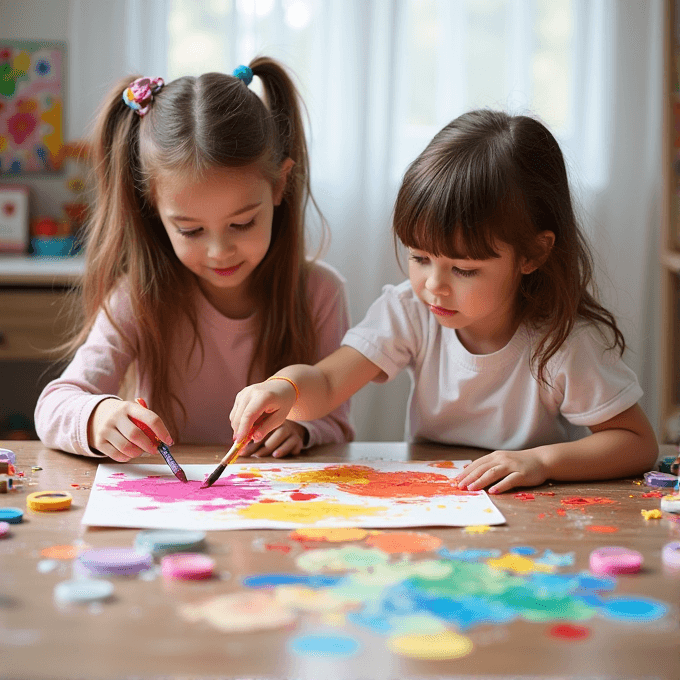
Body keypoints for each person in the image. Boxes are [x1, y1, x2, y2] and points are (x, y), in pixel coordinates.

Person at [229, 109, 658, 493]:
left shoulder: (564, 341)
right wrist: (282, 389)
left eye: (464, 269)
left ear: (532, 253)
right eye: (419, 257)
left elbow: (636, 443)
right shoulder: (410, 311)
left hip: (532, 509)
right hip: (440, 497)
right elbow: (326, 384)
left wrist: (538, 461)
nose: (434, 285)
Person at [35, 58, 353, 462]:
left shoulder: (321, 293)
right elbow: (54, 406)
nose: (219, 251)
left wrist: (303, 428)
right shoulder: (137, 297)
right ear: (152, 205)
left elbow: (339, 421)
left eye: (242, 223)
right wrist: (97, 416)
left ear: (280, 184)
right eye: (190, 230)